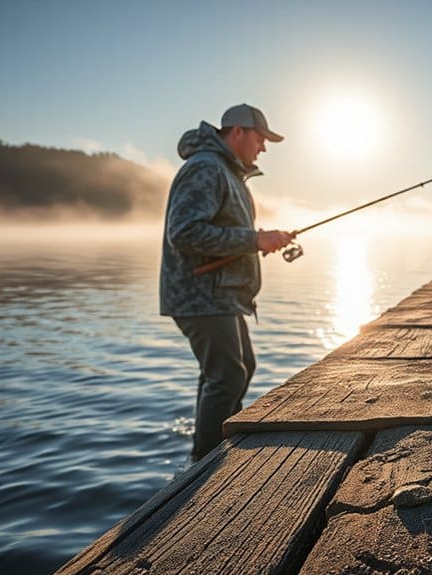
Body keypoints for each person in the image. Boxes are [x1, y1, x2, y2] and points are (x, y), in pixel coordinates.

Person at [159, 103, 294, 461]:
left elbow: (219, 230)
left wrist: (260, 240)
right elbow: (184, 232)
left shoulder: (225, 171)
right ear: (238, 132)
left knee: (238, 369)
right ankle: (204, 463)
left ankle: (218, 448)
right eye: (261, 138)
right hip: (200, 295)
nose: (263, 148)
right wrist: (253, 241)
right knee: (227, 376)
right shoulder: (205, 168)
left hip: (222, 294)